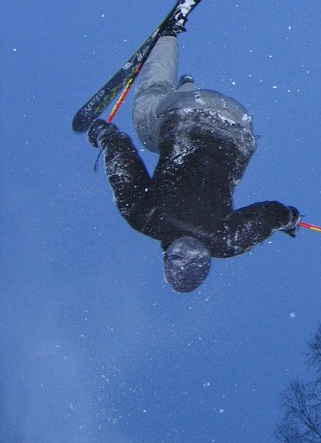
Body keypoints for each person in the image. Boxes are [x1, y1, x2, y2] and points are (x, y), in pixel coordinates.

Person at [87, 30, 299, 292]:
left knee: (176, 145)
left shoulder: (225, 241)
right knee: (147, 120)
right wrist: (104, 134)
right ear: (167, 259)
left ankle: (186, 87)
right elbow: (123, 159)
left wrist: (289, 218)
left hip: (238, 125)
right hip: (188, 117)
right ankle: (166, 40)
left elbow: (269, 213)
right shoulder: (147, 218)